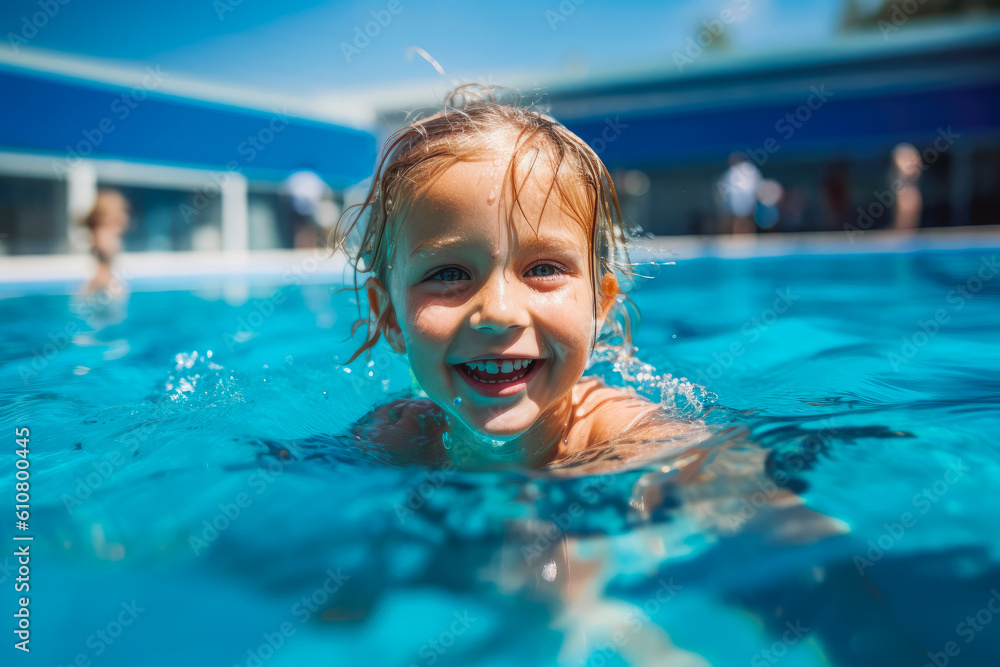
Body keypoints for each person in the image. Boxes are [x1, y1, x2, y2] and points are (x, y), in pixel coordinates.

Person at [330, 85, 691, 470]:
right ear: (389, 319)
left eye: (543, 269)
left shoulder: (634, 438)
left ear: (599, 306)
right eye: (449, 273)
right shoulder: (394, 436)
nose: (500, 312)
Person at [82, 188, 130, 294]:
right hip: (104, 284)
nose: (126, 216)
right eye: (123, 211)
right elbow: (103, 268)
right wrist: (112, 287)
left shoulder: (105, 234)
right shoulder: (104, 236)